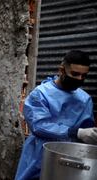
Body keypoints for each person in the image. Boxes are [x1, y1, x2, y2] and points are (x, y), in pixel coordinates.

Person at [15, 50, 96, 180]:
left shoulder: (85, 99)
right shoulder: (41, 94)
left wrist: (90, 135)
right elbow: (38, 125)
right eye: (75, 74)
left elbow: (87, 130)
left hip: (71, 157)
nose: (79, 79)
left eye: (83, 76)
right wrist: (75, 132)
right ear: (61, 70)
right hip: (40, 154)